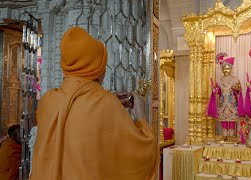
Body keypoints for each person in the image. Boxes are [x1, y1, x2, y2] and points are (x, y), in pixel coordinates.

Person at [30, 27, 159, 180]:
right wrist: (140, 113)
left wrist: (105, 101)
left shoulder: (47, 101)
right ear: (97, 68)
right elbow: (142, 155)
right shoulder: (106, 103)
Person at [207, 52, 244, 141]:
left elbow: (238, 92)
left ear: (231, 69)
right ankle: (224, 135)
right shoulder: (220, 80)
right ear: (222, 69)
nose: (226, 70)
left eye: (228, 68)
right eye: (224, 68)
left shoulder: (235, 80)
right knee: (223, 119)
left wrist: (238, 88)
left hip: (232, 103)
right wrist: (214, 90)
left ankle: (231, 136)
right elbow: (218, 92)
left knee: (231, 119)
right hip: (223, 102)